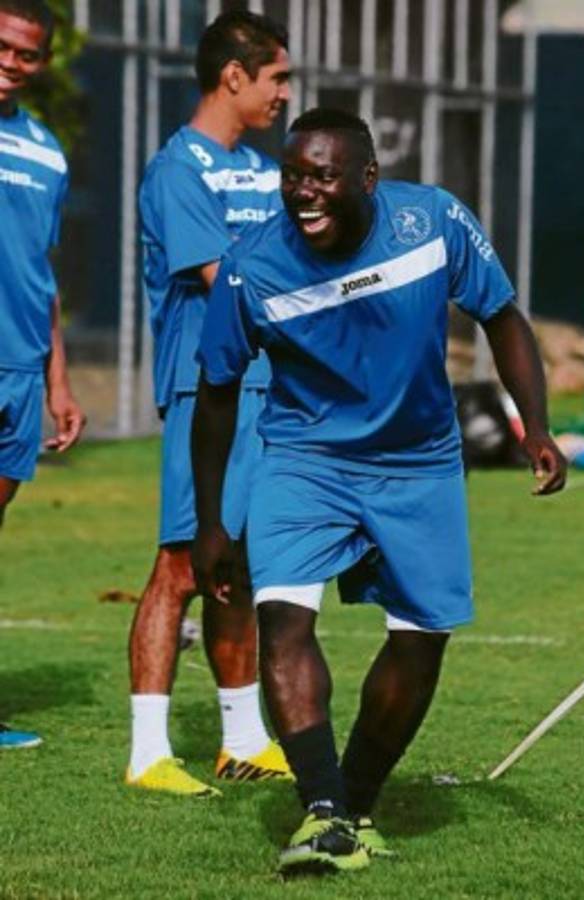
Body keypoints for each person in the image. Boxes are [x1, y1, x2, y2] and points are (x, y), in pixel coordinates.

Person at [191, 108, 566, 872]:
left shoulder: (433, 222)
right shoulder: (249, 266)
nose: (303, 192)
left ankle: (354, 804)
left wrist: (535, 427)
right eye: (292, 176)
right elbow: (217, 391)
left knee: (422, 638)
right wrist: (211, 525)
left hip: (419, 462)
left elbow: (500, 316)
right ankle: (323, 809)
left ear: (368, 177)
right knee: (282, 620)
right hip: (304, 458)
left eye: (321, 176)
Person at [126, 9, 292, 797]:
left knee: (241, 564)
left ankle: (242, 740)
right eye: (277, 78)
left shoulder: (265, 171)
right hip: (207, 386)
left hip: (271, 386)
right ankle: (148, 753)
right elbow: (222, 280)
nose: (284, 94)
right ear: (234, 76)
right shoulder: (175, 170)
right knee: (181, 564)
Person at [0, 0, 85, 749]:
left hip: (23, 370)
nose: (10, 63)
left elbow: (41, 273)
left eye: (26, 53)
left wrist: (58, 380)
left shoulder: (47, 152)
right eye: (1, 46)